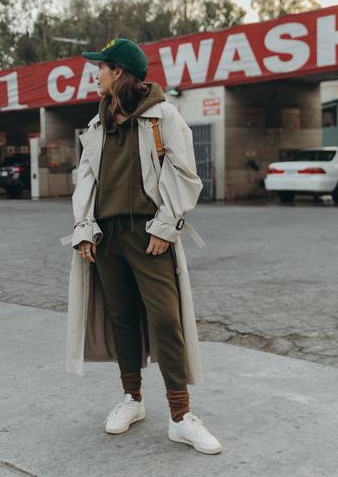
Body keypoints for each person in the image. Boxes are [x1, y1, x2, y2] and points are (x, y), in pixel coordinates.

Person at [63, 37, 222, 455]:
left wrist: (165, 225)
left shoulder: (161, 116)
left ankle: (181, 416)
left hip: (149, 234)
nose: (94, 74)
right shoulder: (97, 125)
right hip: (106, 238)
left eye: (101, 67)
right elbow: (86, 180)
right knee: (122, 319)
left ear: (119, 72)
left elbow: (185, 173)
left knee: (167, 320)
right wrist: (83, 228)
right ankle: (132, 399)